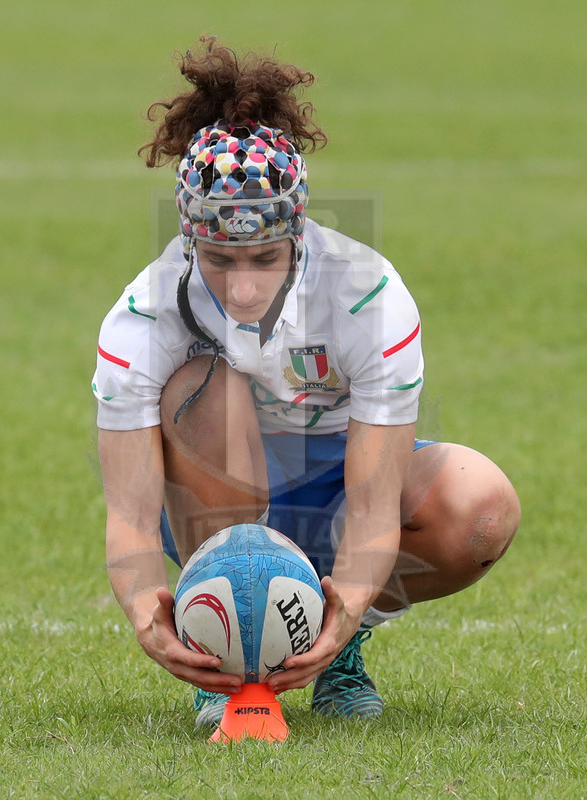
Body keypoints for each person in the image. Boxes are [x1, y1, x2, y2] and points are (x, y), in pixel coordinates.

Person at [93, 37, 520, 727]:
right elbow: (132, 515)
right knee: (204, 383)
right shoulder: (142, 316)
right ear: (188, 234)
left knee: (480, 508)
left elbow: (376, 501)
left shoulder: (367, 296)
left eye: (263, 256)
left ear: (298, 229)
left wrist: (347, 608)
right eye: (218, 258)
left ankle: (332, 651)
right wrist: (149, 616)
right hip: (209, 504)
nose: (241, 286)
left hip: (343, 497)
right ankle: (225, 658)